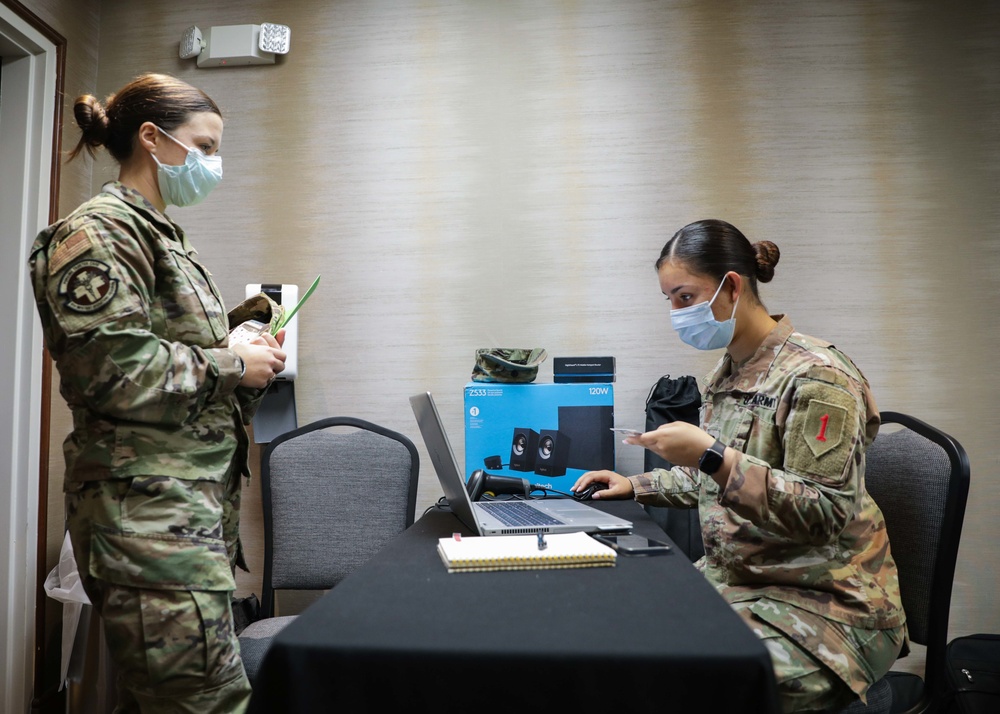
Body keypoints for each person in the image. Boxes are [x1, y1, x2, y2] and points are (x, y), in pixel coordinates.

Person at [28, 73, 286, 713]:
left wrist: (243, 345)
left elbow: (160, 353)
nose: (213, 164)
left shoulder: (162, 234)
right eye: (204, 146)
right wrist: (232, 363)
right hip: (147, 523)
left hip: (180, 520)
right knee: (204, 704)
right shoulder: (99, 234)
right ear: (152, 137)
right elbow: (112, 370)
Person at [572, 219, 906, 713]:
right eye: (670, 300)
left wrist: (713, 455)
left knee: (680, 684)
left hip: (826, 603)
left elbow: (824, 514)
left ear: (731, 286)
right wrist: (634, 483)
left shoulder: (818, 379)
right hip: (742, 583)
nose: (676, 313)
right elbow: (715, 478)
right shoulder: (727, 374)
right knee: (615, 640)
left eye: (685, 297)